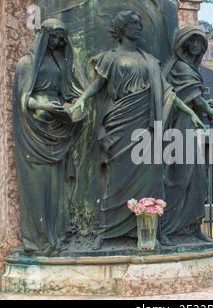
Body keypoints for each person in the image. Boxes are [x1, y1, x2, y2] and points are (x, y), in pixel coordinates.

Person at [70, 10, 205, 250]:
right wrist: (81, 99)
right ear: (121, 28)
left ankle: (154, 230)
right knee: (115, 177)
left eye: (140, 23)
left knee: (152, 178)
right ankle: (106, 231)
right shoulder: (109, 58)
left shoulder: (150, 61)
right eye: (133, 23)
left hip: (147, 126)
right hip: (120, 123)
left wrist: (191, 112)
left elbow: (168, 94)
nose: (138, 27)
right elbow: (97, 85)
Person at [13, 19, 84, 256]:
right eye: (54, 37)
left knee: (57, 186)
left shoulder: (59, 63)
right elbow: (26, 101)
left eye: (62, 38)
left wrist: (72, 107)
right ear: (44, 36)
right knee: (37, 187)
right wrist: (46, 107)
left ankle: (58, 233)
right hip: (36, 132)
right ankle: (38, 238)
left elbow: (68, 92)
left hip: (57, 129)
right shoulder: (26, 64)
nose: (58, 42)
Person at [159, 26, 213, 245]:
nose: (195, 46)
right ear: (183, 44)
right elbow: (193, 99)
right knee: (179, 178)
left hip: (191, 127)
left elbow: (195, 98)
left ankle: (193, 227)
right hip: (179, 128)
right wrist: (207, 109)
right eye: (191, 41)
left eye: (199, 42)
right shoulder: (181, 67)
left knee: (198, 180)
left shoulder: (190, 69)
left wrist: (204, 105)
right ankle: (167, 228)